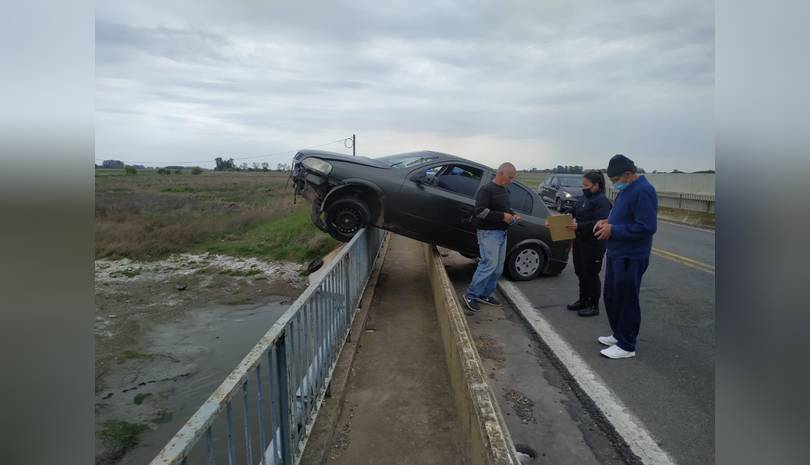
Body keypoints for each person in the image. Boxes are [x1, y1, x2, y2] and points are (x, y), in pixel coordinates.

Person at [593, 154, 657, 359]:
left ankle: (627, 345)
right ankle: (618, 334)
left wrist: (614, 230)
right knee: (612, 296)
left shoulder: (643, 191)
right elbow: (622, 217)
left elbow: (647, 226)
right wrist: (606, 222)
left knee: (626, 299)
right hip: (616, 252)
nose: (614, 184)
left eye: (615, 180)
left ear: (628, 174)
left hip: (631, 256)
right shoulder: (626, 190)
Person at [463, 162, 521, 313]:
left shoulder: (505, 190)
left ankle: (485, 294)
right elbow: (480, 212)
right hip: (488, 233)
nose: (511, 181)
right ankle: (471, 295)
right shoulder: (486, 190)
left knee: (498, 268)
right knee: (488, 264)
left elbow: (506, 209)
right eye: (510, 177)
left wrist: (513, 215)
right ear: (500, 173)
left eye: (513, 178)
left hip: (502, 233)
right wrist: (502, 216)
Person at [566, 171, 612, 317]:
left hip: (594, 244)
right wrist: (564, 217)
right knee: (581, 272)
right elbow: (573, 211)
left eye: (586, 185)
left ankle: (593, 305)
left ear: (596, 185)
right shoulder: (584, 198)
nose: (583, 188)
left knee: (591, 274)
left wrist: (579, 226)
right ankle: (583, 300)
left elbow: (600, 223)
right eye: (583, 185)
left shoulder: (602, 201)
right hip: (579, 241)